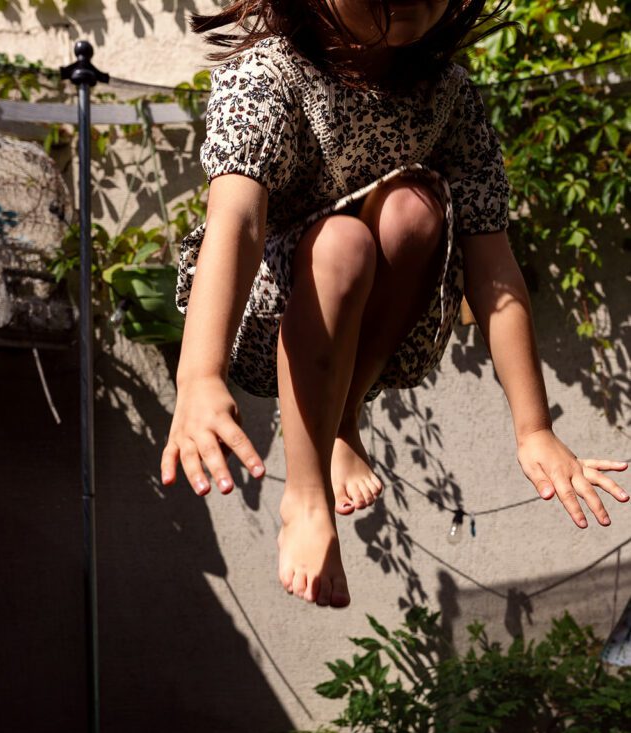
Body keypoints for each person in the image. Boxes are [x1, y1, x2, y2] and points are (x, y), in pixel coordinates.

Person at [160, 0, 628, 608]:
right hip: (265, 314)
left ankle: (342, 420)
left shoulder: (449, 94)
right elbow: (238, 224)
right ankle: (306, 498)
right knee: (342, 241)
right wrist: (199, 375)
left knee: (415, 206)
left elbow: (493, 263)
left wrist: (534, 428)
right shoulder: (268, 74)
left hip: (384, 327)